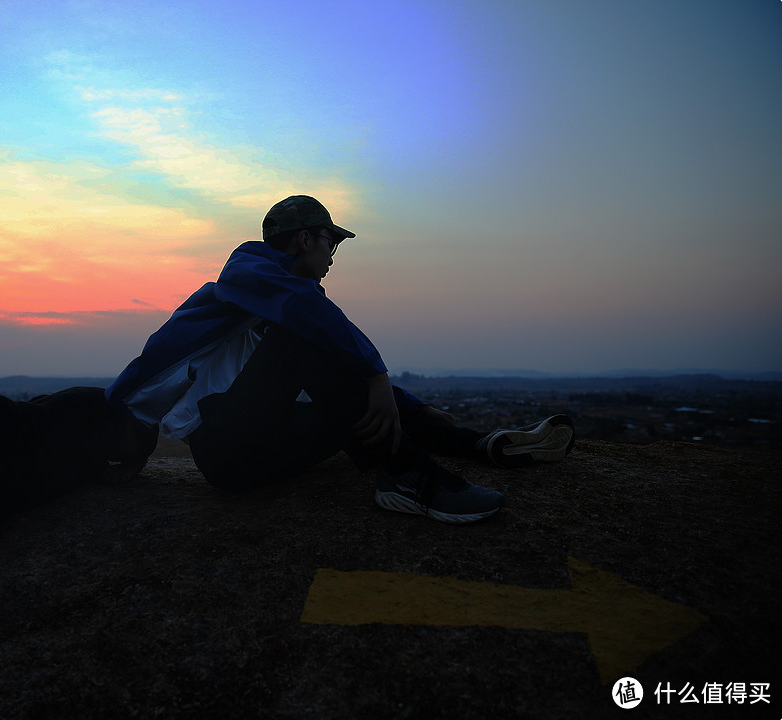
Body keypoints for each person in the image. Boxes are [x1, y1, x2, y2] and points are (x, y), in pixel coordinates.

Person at [106, 195, 574, 524]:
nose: (332, 256)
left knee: (361, 400)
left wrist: (408, 406)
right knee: (307, 336)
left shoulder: (268, 306)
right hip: (227, 450)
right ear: (306, 239)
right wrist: (377, 372)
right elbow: (145, 371)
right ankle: (407, 479)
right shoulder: (245, 271)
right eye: (331, 243)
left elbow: (333, 374)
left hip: (264, 450)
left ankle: (483, 445)